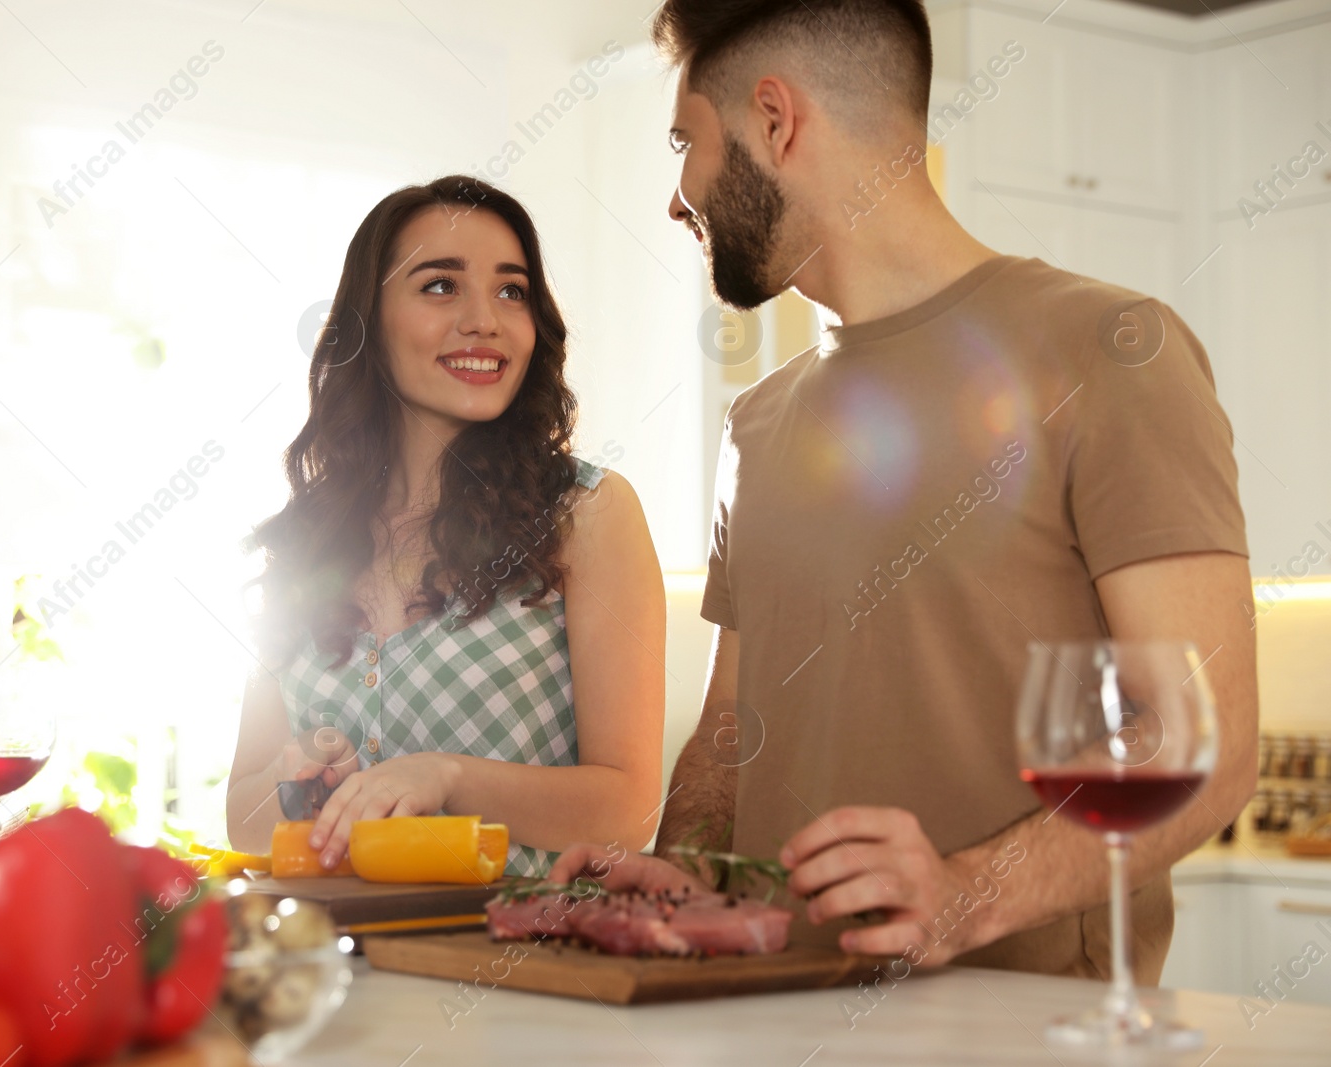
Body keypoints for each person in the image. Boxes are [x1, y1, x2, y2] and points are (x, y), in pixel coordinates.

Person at [553, 0, 1257, 983]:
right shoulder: (755, 423)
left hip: (1023, 1037)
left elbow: (1208, 745)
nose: (677, 197)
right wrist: (672, 875)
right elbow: (729, 732)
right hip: (766, 1021)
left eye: (687, 142)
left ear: (774, 120)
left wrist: (961, 892)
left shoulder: (1113, 350)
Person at [226, 175, 665, 878]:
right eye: (440, 286)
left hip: (525, 965)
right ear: (369, 320)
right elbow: (241, 810)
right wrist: (305, 787)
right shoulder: (306, 541)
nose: (485, 320)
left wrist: (446, 776)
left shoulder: (589, 513)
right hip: (343, 965)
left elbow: (630, 807)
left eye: (512, 291)